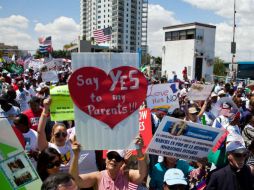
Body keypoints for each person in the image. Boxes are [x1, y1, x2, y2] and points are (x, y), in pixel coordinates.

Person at [69, 136, 148, 189]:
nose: (113, 160)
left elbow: (142, 174)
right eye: (110, 156)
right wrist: (76, 156)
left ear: (122, 162)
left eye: (117, 158)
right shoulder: (98, 176)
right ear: (106, 159)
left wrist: (139, 150)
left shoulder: (126, 175)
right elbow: (75, 180)